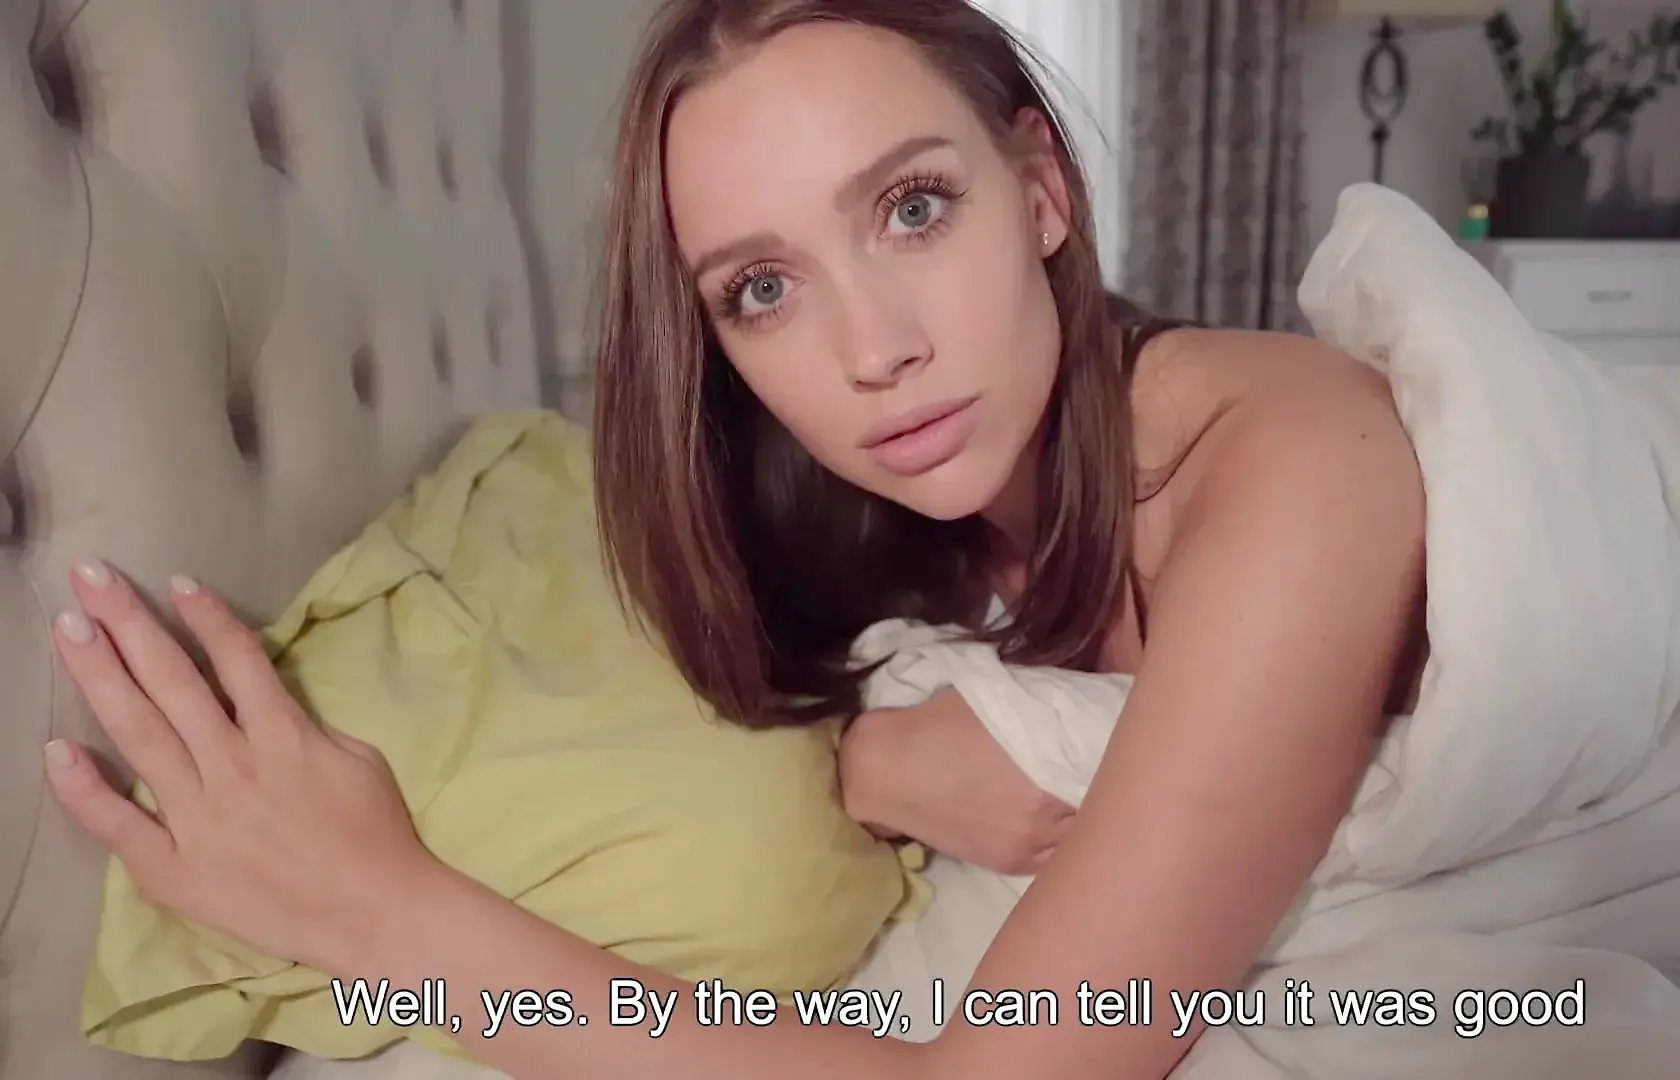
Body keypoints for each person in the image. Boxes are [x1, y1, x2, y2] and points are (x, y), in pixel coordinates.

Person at [40, 1, 1427, 1077]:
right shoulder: (857, 502)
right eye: (763, 288)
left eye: (914, 209)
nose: (874, 350)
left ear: (1042, 191)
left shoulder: (1294, 465)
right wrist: (865, 764)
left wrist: (387, 911)